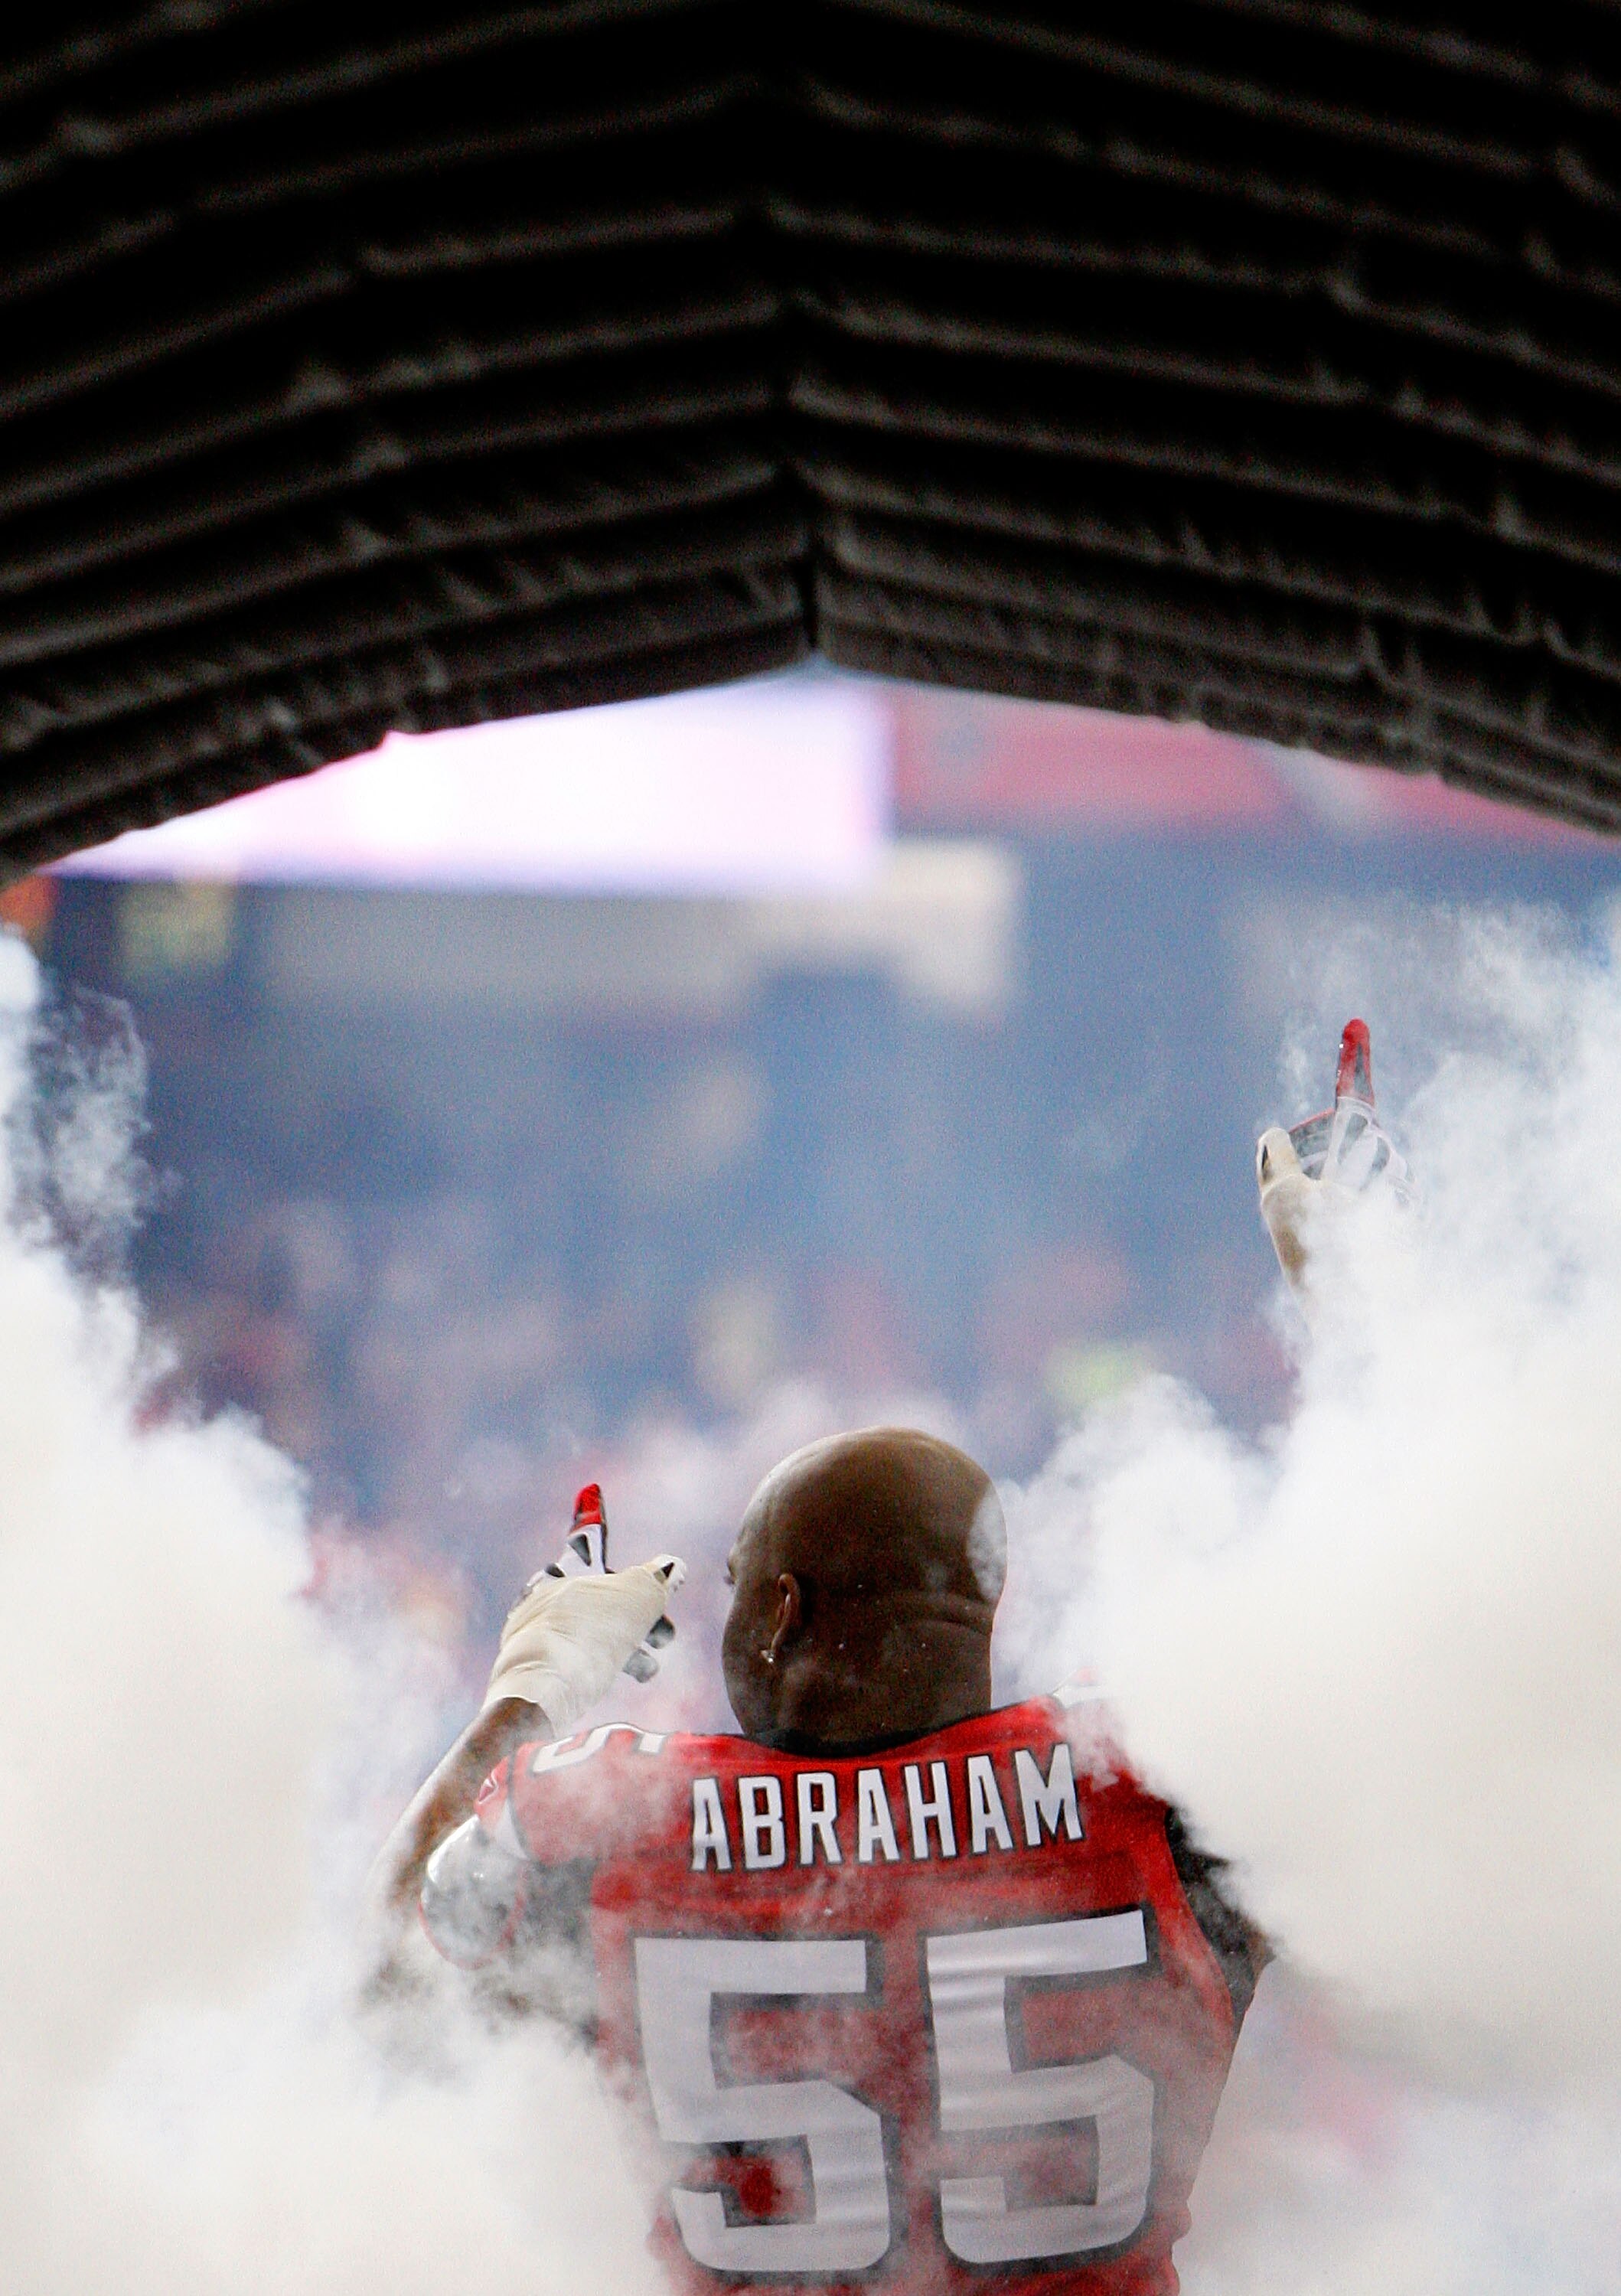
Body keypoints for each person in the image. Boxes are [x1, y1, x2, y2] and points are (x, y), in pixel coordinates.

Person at [373, 1427, 1266, 2296]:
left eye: (737, 1591)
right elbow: (1390, 1833)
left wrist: (533, 1685)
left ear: (780, 1613)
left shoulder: (613, 1824)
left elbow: (388, 1971)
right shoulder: (1156, 1783)